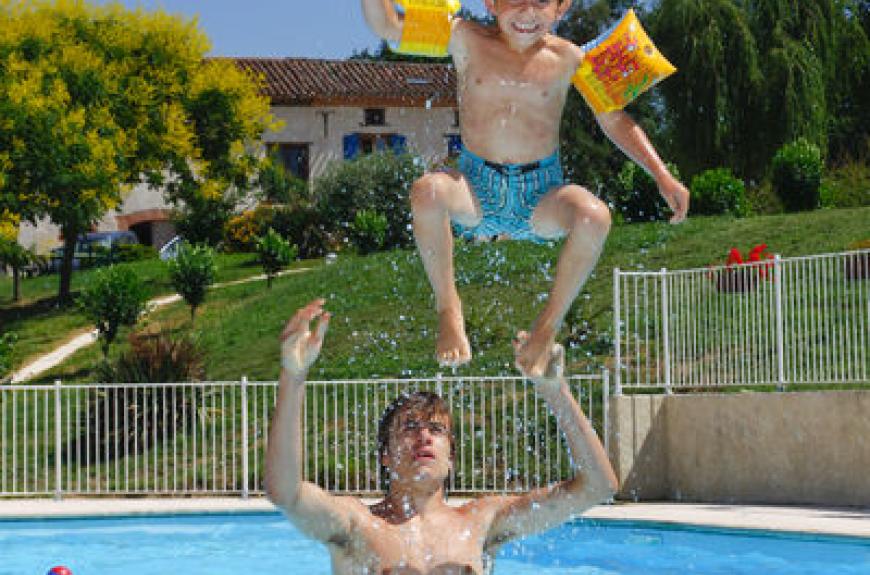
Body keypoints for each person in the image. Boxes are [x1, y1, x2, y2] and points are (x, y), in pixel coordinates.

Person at [360, 0, 690, 376]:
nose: (527, 11)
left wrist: (661, 174)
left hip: (541, 194)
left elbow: (614, 119)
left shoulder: (571, 59)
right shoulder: (463, 37)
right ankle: (449, 309)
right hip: (476, 187)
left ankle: (546, 328)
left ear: (562, 8)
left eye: (541, 1)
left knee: (595, 216)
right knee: (428, 191)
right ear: (491, 3)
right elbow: (385, 26)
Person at [266, 299, 618, 574]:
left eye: (436, 430)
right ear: (385, 454)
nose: (423, 436)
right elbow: (286, 492)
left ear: (451, 456)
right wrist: (293, 377)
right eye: (408, 427)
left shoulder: (482, 522)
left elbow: (598, 487)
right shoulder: (357, 525)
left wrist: (555, 390)